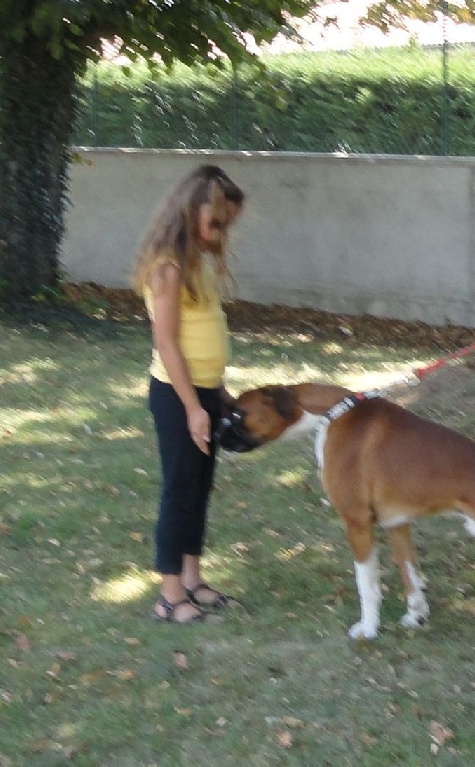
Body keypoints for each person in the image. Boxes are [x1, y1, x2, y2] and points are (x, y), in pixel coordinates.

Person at [132, 164, 246, 623]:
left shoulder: (197, 260)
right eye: (215, 224)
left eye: (227, 227)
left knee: (199, 488)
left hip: (204, 392)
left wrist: (218, 391)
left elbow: (205, 330)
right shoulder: (167, 267)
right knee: (179, 489)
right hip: (177, 396)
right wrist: (194, 408)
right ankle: (169, 594)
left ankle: (194, 580)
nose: (220, 235)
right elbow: (167, 342)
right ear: (190, 212)